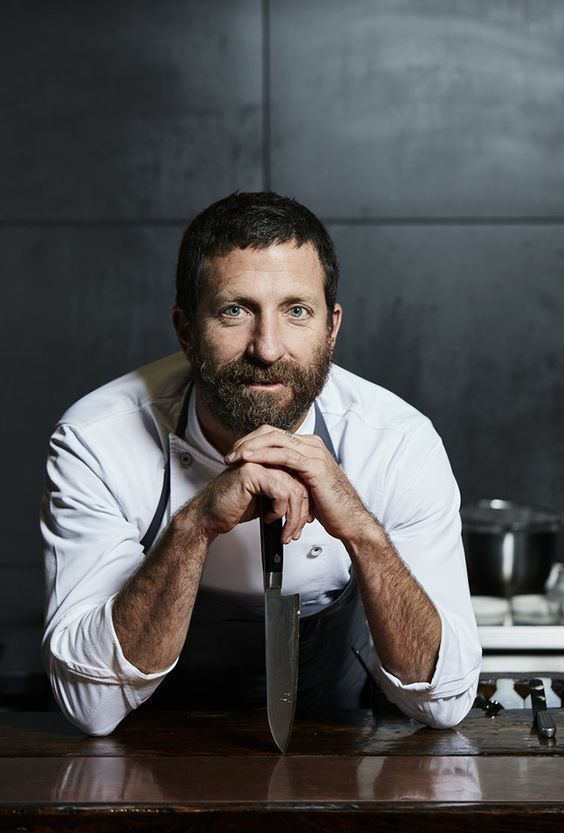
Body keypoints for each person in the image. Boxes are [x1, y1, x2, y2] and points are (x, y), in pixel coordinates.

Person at [41, 191, 481, 736]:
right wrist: (194, 526)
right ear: (185, 329)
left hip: (339, 751)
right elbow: (91, 708)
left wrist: (364, 532)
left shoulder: (395, 442)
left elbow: (446, 703)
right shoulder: (96, 439)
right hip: (144, 762)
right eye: (235, 311)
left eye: (297, 311)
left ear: (331, 328)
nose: (267, 348)